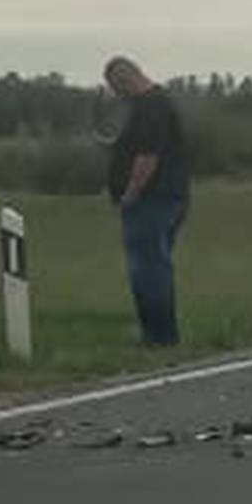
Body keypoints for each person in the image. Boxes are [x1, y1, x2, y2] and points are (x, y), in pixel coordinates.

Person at [103, 56, 190, 346]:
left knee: (148, 270)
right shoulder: (154, 104)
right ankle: (157, 333)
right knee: (152, 265)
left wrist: (131, 192)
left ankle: (160, 336)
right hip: (165, 198)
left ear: (124, 79)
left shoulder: (152, 106)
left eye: (116, 87)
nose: (118, 95)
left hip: (152, 200)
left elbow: (148, 155)